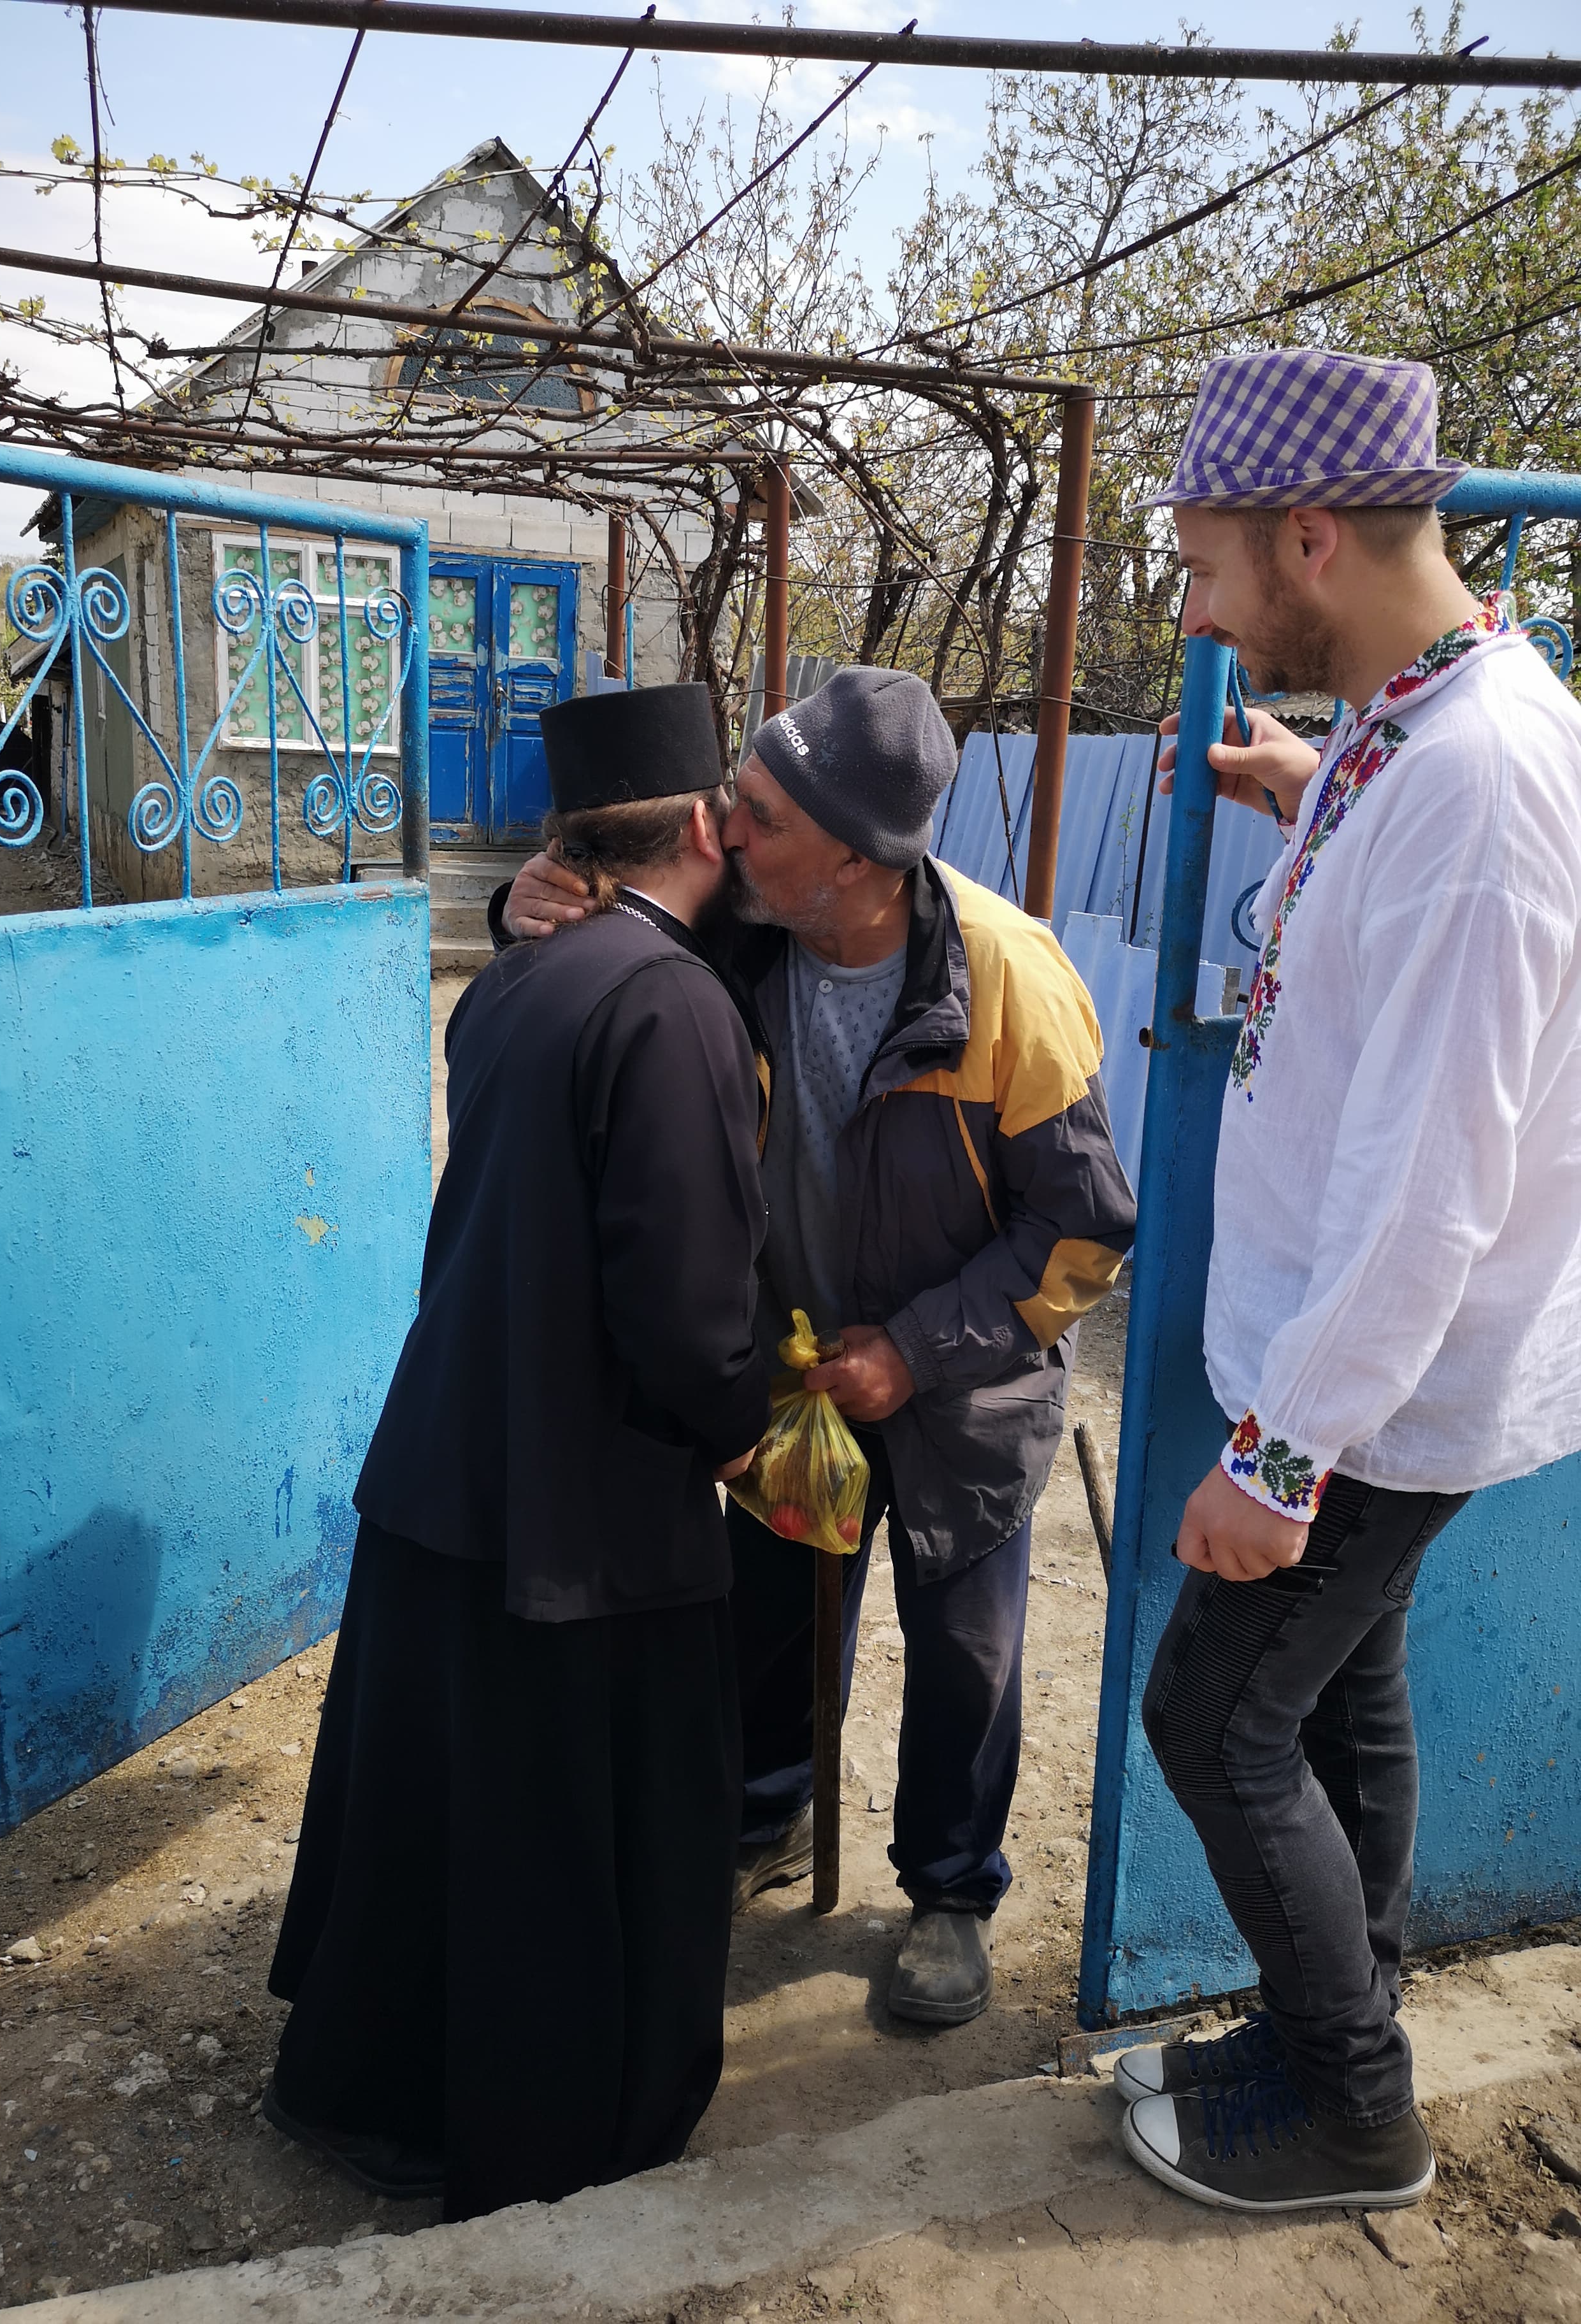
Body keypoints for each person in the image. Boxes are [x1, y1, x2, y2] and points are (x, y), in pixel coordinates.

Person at [1108, 348, 1581, 2213]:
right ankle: (1334, 2034)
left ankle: (1355, 2113)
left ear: (1310, 535)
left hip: (1374, 1384)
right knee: (1337, 1707)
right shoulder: (1421, 726)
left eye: (1207, 568)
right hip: (1356, 1366)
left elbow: (1431, 1184)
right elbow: (1410, 900)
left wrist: (1281, 1454)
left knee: (1212, 1724)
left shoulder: (1479, 791)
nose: (1200, 615)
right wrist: (1309, 792)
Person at [498, 666, 1137, 2025]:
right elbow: (598, 928)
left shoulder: (1010, 979)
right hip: (800, 1386)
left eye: (761, 814)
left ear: (856, 856)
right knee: (773, 1627)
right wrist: (528, 903)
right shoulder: (744, 930)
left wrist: (915, 1349)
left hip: (963, 1396)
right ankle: (766, 1817)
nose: (723, 830)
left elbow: (1083, 1228)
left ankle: (951, 1891)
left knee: (965, 1655)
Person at [264, 683, 771, 2221]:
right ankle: (549, 2126)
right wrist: (742, 1427)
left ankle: (372, 2087)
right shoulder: (672, 1006)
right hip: (582, 1506)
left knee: (441, 1810)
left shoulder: (517, 979)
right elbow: (683, 1308)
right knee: (556, 1837)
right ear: (704, 828)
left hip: (449, 1456)